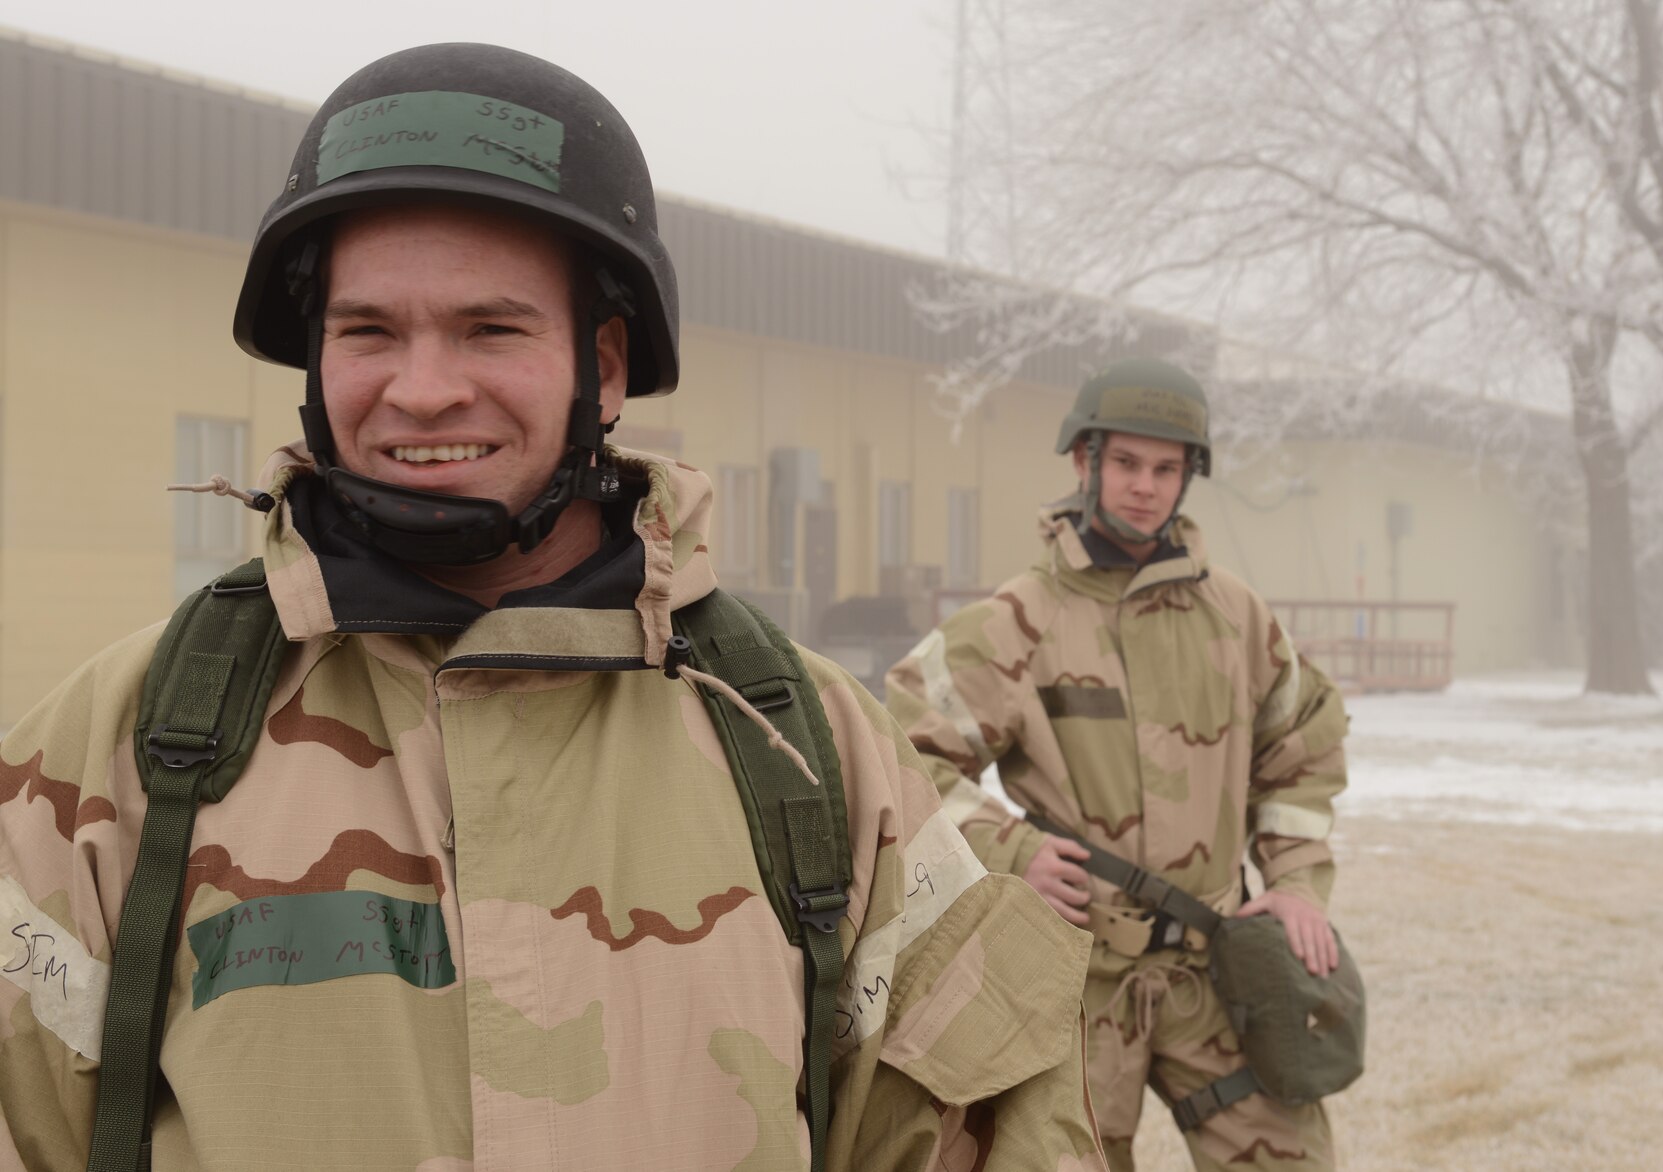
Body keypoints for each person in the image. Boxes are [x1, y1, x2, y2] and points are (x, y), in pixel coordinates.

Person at [0, 43, 1104, 1172]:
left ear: (605, 366)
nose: (422, 387)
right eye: (368, 329)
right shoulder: (122, 749)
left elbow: (994, 1130)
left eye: (491, 328)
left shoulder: (806, 749)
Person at [886, 358, 1351, 1171]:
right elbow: (899, 756)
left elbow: (1303, 743)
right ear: (1084, 463)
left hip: (1220, 969)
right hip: (1077, 978)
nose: (1146, 486)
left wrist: (1296, 885)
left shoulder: (1236, 616)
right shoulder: (1017, 622)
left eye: (1167, 469)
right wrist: (1010, 850)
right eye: (1128, 464)